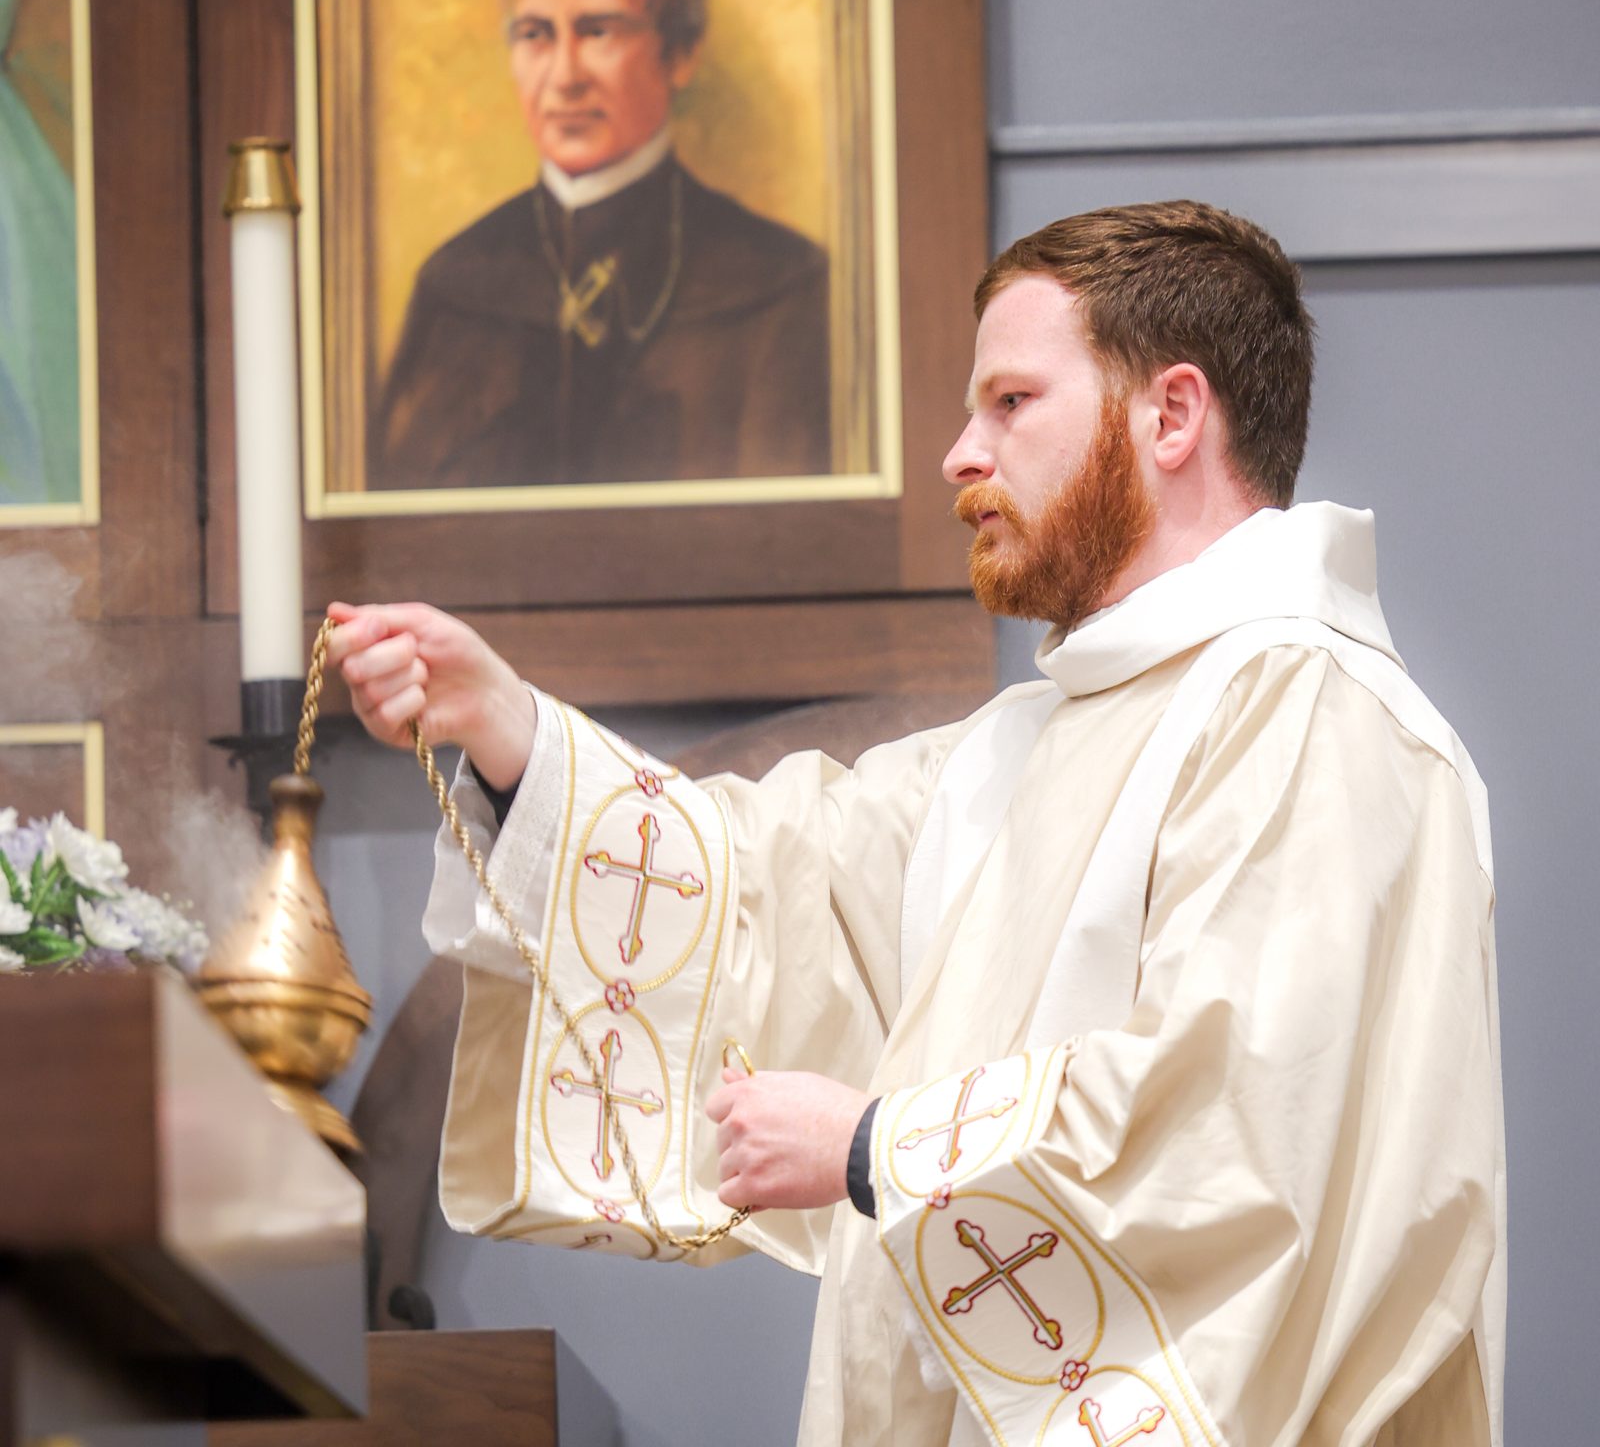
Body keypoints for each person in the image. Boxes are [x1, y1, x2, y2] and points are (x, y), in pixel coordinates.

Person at [330, 201, 1505, 1446]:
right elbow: (760, 883)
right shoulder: (1022, 750)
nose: (958, 453)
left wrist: (878, 1144)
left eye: (1010, 402)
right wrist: (509, 733)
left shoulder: (1307, 713)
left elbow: (1243, 1126)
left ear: (1170, 415)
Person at [365, 0, 832, 491]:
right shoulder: (454, 283)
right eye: (535, 33)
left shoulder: (777, 281)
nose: (564, 77)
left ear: (680, 52)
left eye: (597, 30)